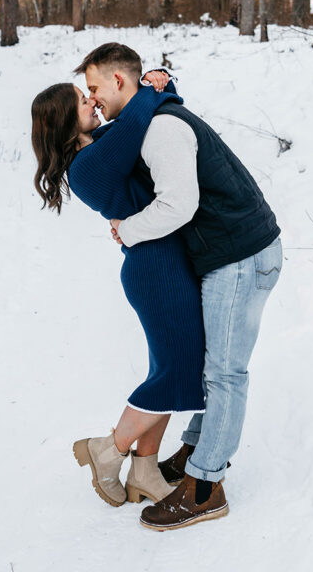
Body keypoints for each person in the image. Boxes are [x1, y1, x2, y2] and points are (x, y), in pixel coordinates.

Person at [76, 42, 283, 532]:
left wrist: (126, 230)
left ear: (118, 81)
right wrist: (160, 80)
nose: (93, 98)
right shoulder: (147, 121)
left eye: (94, 88)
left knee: (224, 374)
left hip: (240, 257)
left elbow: (178, 206)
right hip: (226, 254)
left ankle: (205, 487)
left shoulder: (161, 129)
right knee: (211, 368)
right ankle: (196, 451)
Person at [31, 56, 207, 513]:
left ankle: (144, 470)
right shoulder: (87, 165)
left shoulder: (100, 144)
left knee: (168, 372)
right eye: (81, 100)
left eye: (89, 94)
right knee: (178, 372)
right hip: (155, 271)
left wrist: (161, 85)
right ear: (64, 119)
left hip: (163, 264)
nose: (92, 101)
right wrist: (150, 87)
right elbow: (136, 119)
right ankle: (108, 449)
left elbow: (146, 114)